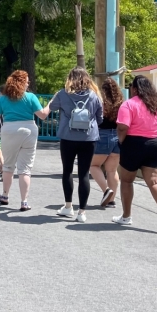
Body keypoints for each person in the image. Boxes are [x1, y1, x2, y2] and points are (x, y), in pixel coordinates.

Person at [36, 67, 103, 223]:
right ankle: (82, 212)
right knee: (84, 174)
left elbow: (46, 111)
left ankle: (68, 206)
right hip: (89, 138)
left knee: (67, 171)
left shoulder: (62, 94)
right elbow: (100, 118)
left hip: (68, 137)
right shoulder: (94, 96)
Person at [113, 75, 157, 234]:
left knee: (127, 180)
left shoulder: (128, 104)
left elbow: (122, 127)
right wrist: (156, 139)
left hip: (133, 143)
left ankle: (126, 216)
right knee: (154, 182)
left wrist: (121, 141)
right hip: (154, 144)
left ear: (134, 89)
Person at [0, 69, 41, 212]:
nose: (29, 83)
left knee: (8, 166)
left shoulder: (3, 99)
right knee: (25, 169)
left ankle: (5, 196)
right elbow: (43, 115)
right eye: (27, 81)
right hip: (29, 130)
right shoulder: (31, 97)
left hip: (9, 130)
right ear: (22, 83)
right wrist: (51, 104)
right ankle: (24, 202)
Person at [90, 77, 124, 207]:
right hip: (117, 136)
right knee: (112, 170)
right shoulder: (121, 102)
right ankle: (111, 200)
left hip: (102, 135)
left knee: (93, 166)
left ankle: (106, 191)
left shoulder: (100, 101)